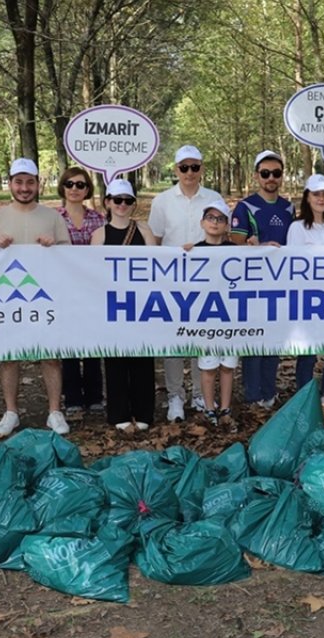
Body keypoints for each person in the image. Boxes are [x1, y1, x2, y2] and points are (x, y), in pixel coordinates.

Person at [0, 158, 73, 436]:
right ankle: (11, 411)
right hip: (8, 298)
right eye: (19, 182)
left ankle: (54, 411)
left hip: (45, 298)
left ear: (38, 184)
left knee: (50, 356)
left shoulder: (53, 217)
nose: (24, 188)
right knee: (10, 356)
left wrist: (54, 246)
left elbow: (68, 255)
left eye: (30, 182)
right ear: (10, 183)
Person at [146, 146, 221, 422]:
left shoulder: (213, 198)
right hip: (173, 279)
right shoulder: (162, 201)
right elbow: (154, 240)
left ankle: (200, 394)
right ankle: (175, 395)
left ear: (202, 168)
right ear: (176, 169)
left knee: (202, 337)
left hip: (206, 278)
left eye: (195, 167)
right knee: (175, 339)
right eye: (184, 167)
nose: (190, 173)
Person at [91, 178, 157, 431]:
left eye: (127, 201)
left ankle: (143, 412)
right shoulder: (100, 235)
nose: (122, 205)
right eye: (117, 200)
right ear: (108, 202)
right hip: (112, 304)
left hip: (141, 304)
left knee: (142, 359)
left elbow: (157, 268)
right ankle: (118, 413)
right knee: (116, 361)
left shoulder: (145, 231)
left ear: (133, 204)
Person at [231, 150, 294, 409]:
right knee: (254, 337)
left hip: (280, 282)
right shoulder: (245, 206)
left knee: (273, 337)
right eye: (265, 173)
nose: (271, 178)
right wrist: (250, 243)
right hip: (252, 282)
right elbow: (234, 239)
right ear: (257, 176)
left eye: (276, 173)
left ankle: (269, 390)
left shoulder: (288, 206)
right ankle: (252, 393)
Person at [287, 174, 324, 406]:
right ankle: (304, 394)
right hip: (309, 297)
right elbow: (293, 263)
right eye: (316, 194)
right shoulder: (297, 228)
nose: (321, 199)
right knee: (308, 349)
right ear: (307, 197)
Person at [56, 167, 108, 418]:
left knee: (92, 344)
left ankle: (95, 396)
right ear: (62, 187)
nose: (75, 189)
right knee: (68, 346)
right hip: (62, 290)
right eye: (70, 184)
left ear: (88, 189)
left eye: (80, 185)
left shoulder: (99, 219)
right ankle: (72, 397)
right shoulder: (52, 218)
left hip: (92, 289)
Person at [193, 199, 237, 429]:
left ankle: (226, 408)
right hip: (206, 317)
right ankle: (209, 408)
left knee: (228, 366)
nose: (215, 223)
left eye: (220, 219)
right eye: (210, 218)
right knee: (208, 367)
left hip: (231, 317)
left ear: (226, 225)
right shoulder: (194, 250)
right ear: (202, 222)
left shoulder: (235, 251)